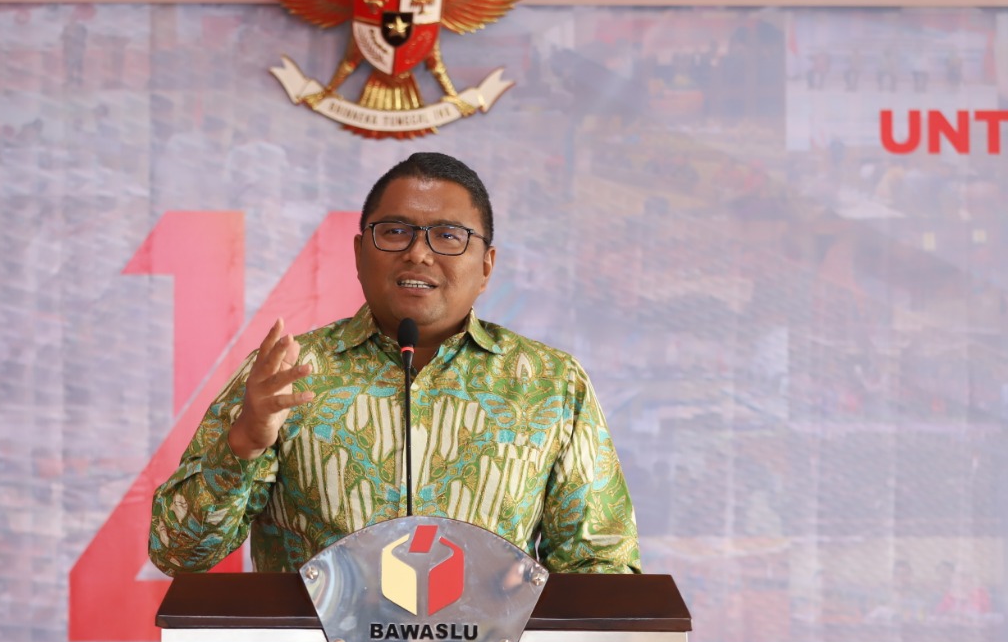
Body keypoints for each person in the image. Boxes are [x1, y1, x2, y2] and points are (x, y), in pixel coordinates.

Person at [149, 152, 641, 575]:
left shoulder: (552, 384)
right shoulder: (287, 373)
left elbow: (600, 568)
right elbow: (177, 553)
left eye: (448, 235)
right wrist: (244, 444)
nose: (418, 253)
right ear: (359, 252)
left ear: (486, 265)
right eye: (395, 231)